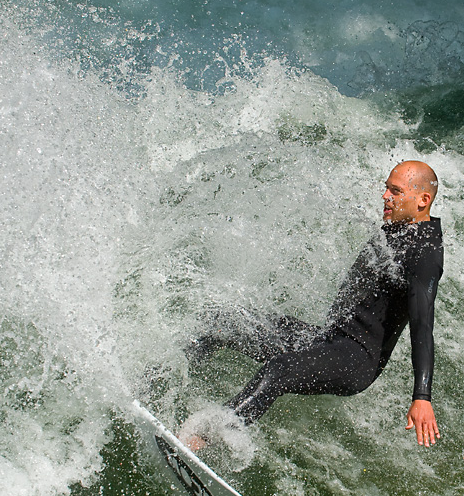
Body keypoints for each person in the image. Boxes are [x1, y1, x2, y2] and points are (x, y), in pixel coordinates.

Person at [182, 160, 443, 450]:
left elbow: (422, 324)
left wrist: (422, 396)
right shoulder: (399, 228)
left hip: (354, 359)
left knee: (279, 370)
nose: (385, 196)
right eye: (386, 189)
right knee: (226, 321)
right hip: (327, 341)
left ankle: (204, 439)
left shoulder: (425, 254)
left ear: (423, 200)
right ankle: (164, 386)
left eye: (395, 191)